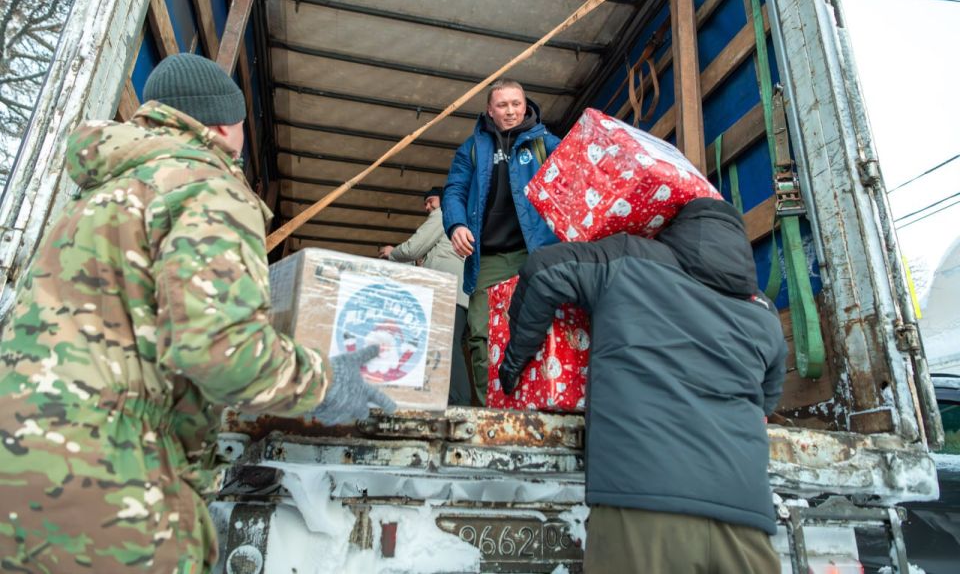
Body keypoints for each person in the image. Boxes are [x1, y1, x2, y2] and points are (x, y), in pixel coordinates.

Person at [0, 53, 394, 572]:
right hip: (105, 481)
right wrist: (327, 383)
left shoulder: (97, 195)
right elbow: (220, 350)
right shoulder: (205, 184)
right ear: (225, 123)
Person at [498, 198, 787, 573]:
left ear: (674, 228)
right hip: (746, 520)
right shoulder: (764, 315)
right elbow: (765, 402)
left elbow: (542, 270)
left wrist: (514, 363)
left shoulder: (630, 258)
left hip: (642, 506)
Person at [442, 78, 561, 404]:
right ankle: (487, 413)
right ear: (489, 111)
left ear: (525, 106)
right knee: (481, 335)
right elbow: (454, 191)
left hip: (535, 254)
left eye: (516, 104)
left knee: (540, 331)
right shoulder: (471, 148)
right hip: (489, 258)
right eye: (502, 105)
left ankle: (537, 404)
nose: (510, 111)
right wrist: (456, 224)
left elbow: (574, 177)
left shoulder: (546, 144)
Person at [379, 186, 471, 406]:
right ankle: (449, 397)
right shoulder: (449, 225)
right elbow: (422, 259)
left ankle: (460, 399)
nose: (427, 207)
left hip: (448, 292)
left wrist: (393, 253)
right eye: (426, 204)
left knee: (448, 345)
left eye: (430, 201)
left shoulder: (444, 214)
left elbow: (414, 248)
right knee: (444, 346)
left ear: (443, 199)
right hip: (453, 293)